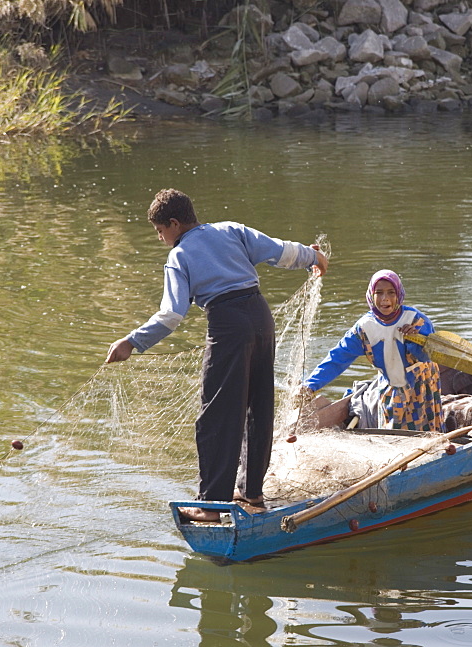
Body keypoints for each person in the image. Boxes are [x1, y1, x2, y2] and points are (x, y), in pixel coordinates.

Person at [105, 188, 328, 521]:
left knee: (217, 415)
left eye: (160, 231)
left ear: (175, 223)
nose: (160, 238)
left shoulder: (179, 257)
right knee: (257, 406)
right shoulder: (230, 230)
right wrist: (313, 257)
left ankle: (210, 506)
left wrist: (131, 342)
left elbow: (171, 315)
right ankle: (251, 494)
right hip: (260, 317)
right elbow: (279, 251)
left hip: (228, 325)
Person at [301, 269, 442, 432]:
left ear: (399, 294)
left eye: (391, 292)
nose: (385, 299)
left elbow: (428, 356)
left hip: (422, 386)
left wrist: (416, 340)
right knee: (392, 433)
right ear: (371, 295)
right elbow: (337, 358)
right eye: (379, 293)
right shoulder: (364, 328)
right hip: (391, 386)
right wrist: (311, 385)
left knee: (427, 432)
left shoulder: (415, 320)